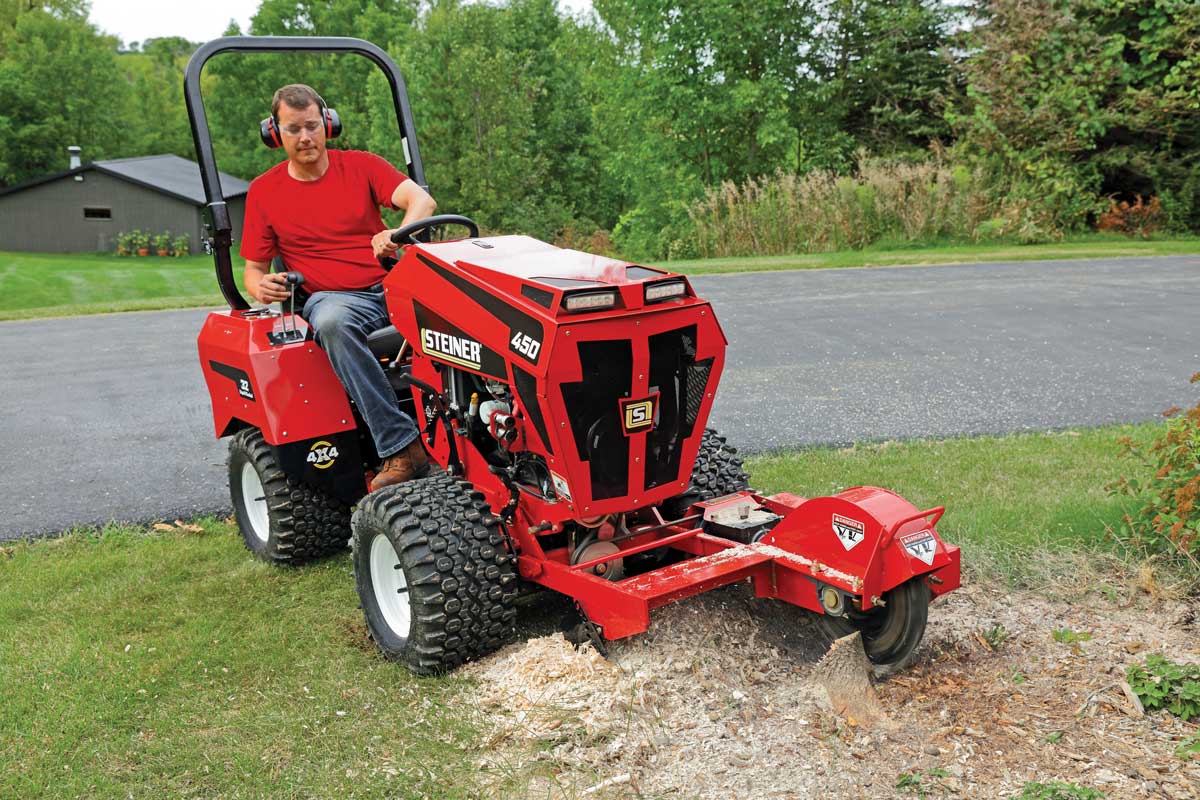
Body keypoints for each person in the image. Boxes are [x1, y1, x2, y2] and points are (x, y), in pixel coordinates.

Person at [240, 83, 437, 491]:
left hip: (392, 283)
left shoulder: (362, 166)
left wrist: (397, 232)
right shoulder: (264, 192)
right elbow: (254, 271)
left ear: (328, 125)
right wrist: (262, 288)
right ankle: (402, 447)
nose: (305, 137)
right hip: (334, 300)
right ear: (275, 135)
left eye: (312, 125)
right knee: (331, 322)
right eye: (293, 129)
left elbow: (422, 202)